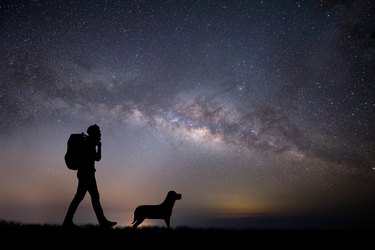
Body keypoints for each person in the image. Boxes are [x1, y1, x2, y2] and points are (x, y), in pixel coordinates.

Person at [63, 124, 117, 228]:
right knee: (89, 197)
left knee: (82, 197)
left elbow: (97, 158)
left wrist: (99, 147)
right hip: (86, 174)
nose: (100, 134)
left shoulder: (90, 143)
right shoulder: (87, 143)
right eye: (98, 132)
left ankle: (68, 221)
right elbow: (95, 158)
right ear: (93, 133)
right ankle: (102, 222)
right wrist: (97, 146)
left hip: (87, 173)